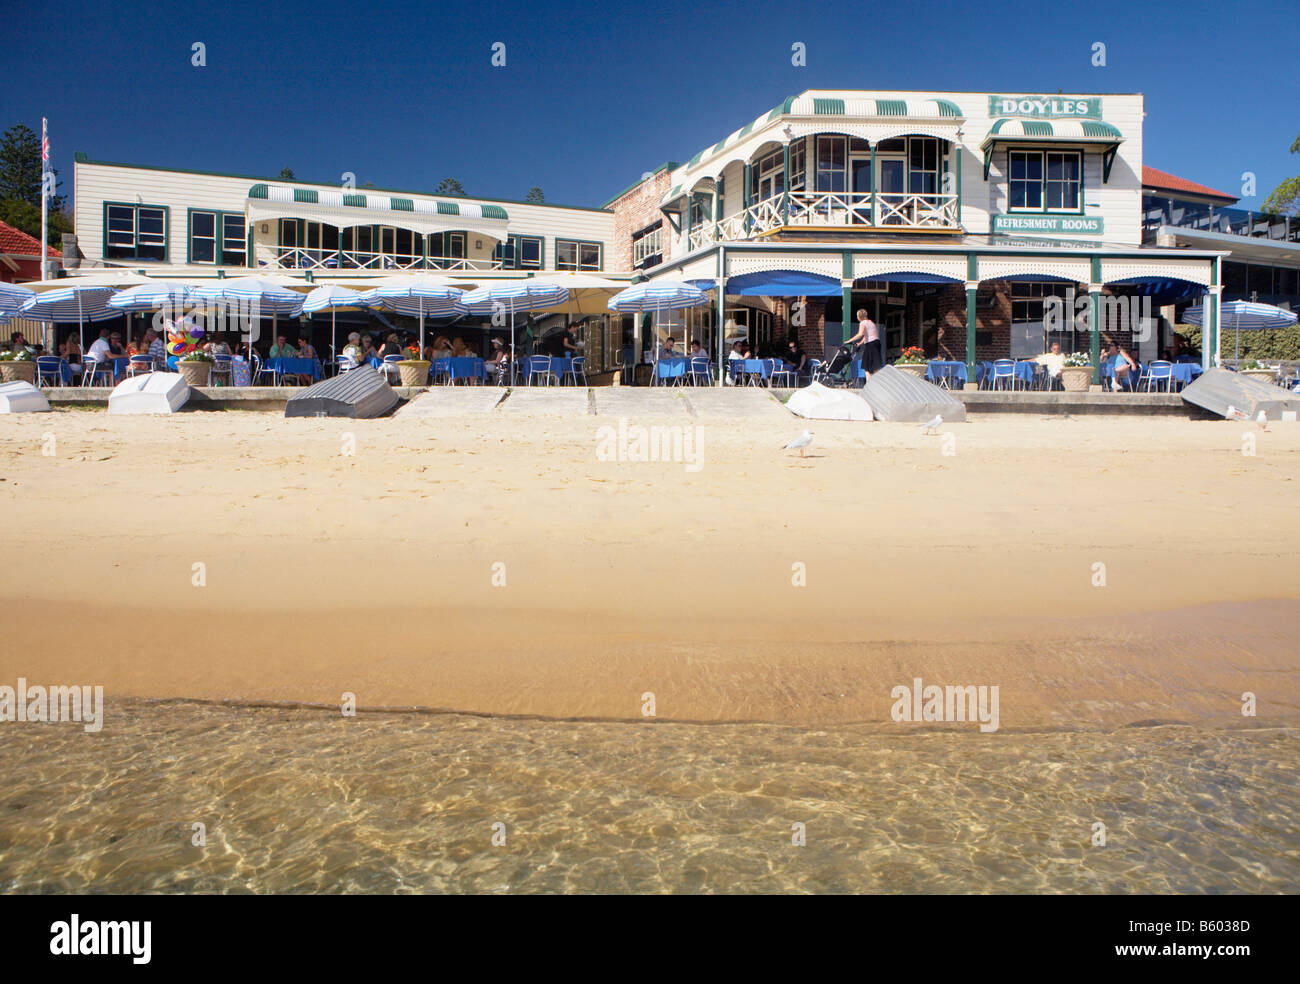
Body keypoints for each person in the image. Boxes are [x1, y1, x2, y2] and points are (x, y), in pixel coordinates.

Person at [846, 308, 882, 378]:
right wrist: (860, 343)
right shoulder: (871, 322)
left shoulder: (863, 323)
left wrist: (849, 341)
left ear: (859, 317)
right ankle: (876, 383)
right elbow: (867, 335)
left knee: (867, 367)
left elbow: (860, 334)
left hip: (870, 345)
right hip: (876, 343)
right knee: (874, 367)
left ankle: (868, 383)